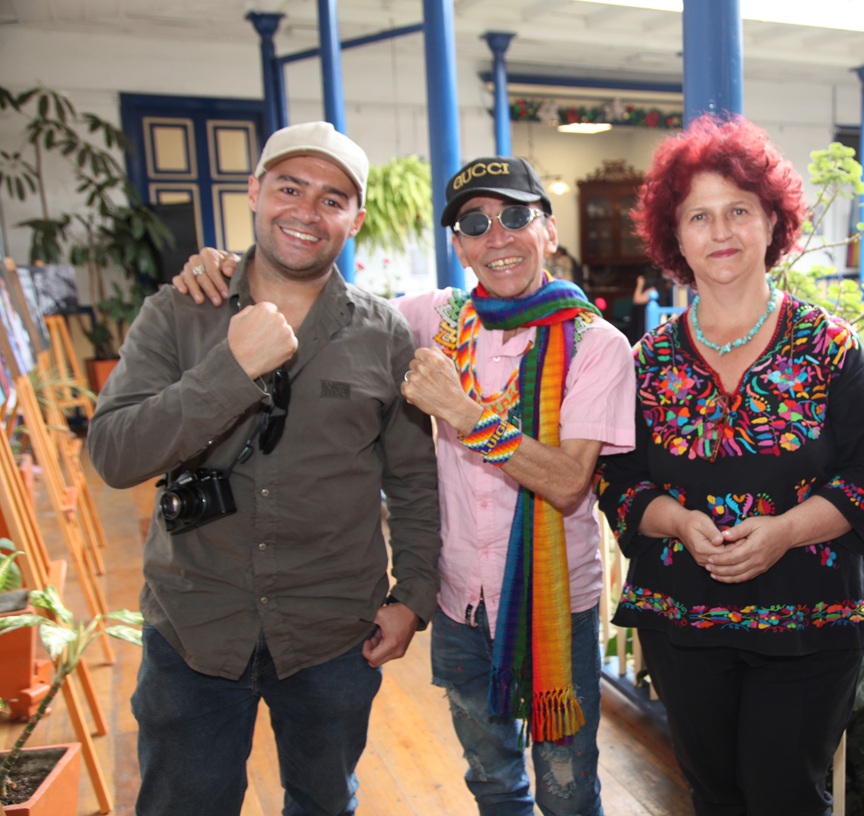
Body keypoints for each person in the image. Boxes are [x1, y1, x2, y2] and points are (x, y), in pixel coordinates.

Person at [174, 155, 637, 816]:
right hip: (458, 600)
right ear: (458, 245)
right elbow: (323, 314)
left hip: (552, 605)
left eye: (514, 217)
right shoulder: (434, 319)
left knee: (566, 785)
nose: (496, 237)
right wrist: (238, 273)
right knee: (490, 774)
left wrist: (464, 412)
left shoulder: (598, 345)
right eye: (475, 224)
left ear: (549, 230)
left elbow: (567, 484)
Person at [87, 122, 442, 815]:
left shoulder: (383, 332)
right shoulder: (179, 312)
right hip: (195, 624)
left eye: (332, 198)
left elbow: (412, 479)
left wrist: (413, 597)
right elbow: (115, 453)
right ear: (253, 192)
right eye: (289, 187)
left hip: (335, 631)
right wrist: (228, 370)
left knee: (323, 802)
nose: (307, 211)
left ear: (356, 219)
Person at [595, 115, 864, 816]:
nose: (721, 230)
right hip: (682, 622)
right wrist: (675, 520)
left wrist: (787, 531)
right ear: (675, 238)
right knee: (713, 795)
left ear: (773, 222)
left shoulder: (828, 348)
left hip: (807, 622)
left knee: (787, 796)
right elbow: (617, 477)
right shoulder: (648, 362)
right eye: (698, 216)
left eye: (739, 210)